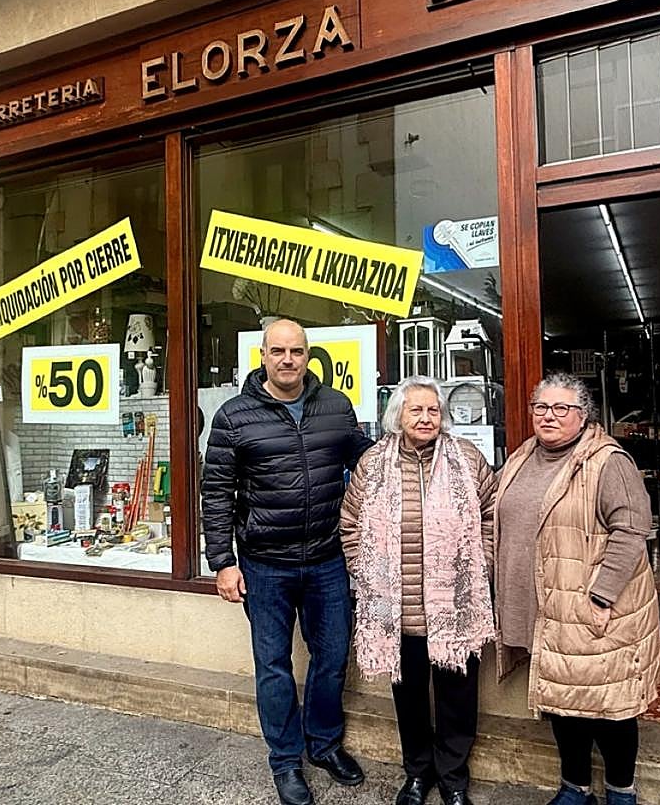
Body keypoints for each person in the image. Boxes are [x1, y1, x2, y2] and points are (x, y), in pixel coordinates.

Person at [203, 318, 375, 805]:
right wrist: (223, 561)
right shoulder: (234, 417)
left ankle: (323, 745)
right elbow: (216, 493)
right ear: (262, 356)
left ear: (307, 356)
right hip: (264, 565)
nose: (287, 360)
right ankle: (285, 761)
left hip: (326, 559)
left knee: (332, 656)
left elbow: (365, 461)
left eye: (296, 351)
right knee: (274, 665)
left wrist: (416, 445)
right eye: (277, 351)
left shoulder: (335, 407)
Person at [494, 373, 660, 805]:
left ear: (582, 416)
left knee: (608, 704)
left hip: (592, 603)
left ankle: (620, 790)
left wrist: (603, 596)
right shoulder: (523, 455)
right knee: (560, 697)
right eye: (540, 407)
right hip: (545, 604)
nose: (548, 416)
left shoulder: (608, 461)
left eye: (561, 408)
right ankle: (575, 786)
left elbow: (631, 529)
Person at [339, 376, 496, 805]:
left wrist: (480, 563)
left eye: (433, 410)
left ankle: (453, 777)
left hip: (455, 606)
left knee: (457, 698)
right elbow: (350, 522)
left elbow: (492, 512)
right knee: (408, 698)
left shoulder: (466, 458)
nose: (426, 418)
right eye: (416, 410)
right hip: (398, 609)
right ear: (398, 416)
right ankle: (417, 773)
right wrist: (365, 570)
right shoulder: (373, 464)